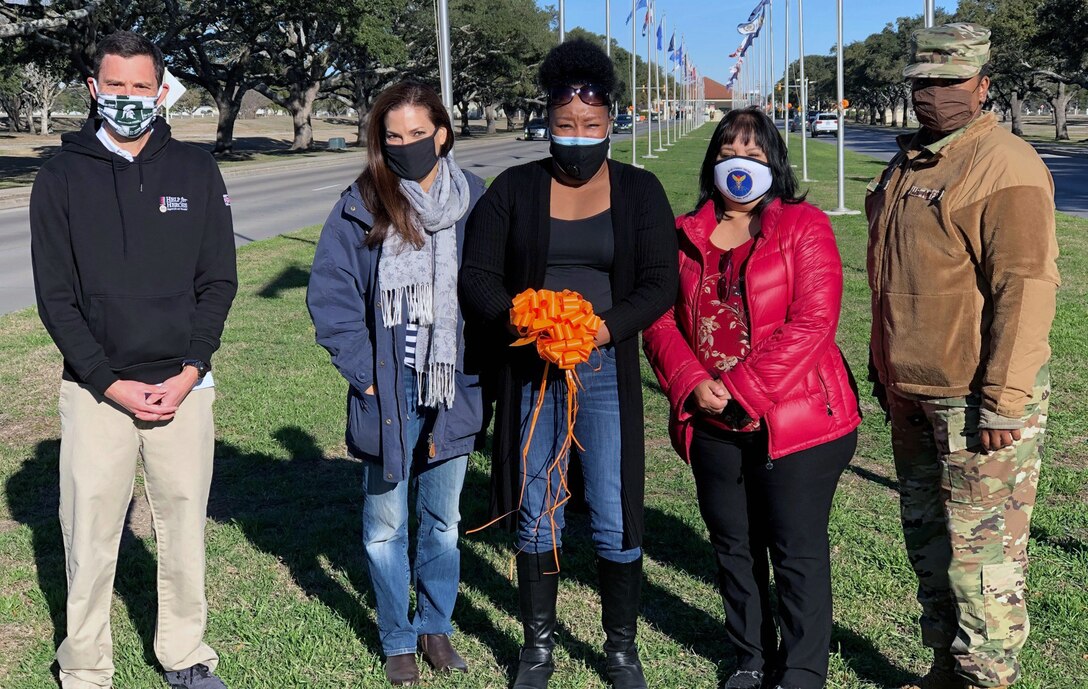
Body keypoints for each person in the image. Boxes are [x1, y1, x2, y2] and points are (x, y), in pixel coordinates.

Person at [460, 38, 678, 689]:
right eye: (564, 127)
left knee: (613, 508)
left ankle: (620, 649)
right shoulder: (514, 189)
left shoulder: (639, 191)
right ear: (546, 124)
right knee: (537, 507)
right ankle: (537, 649)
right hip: (533, 372)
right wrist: (525, 319)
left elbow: (660, 282)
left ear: (611, 121)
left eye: (591, 126)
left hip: (605, 371)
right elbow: (477, 276)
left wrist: (599, 329)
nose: (578, 138)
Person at [29, 31, 237, 689]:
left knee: (183, 531)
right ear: (94, 89)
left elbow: (219, 281)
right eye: (113, 87)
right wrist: (109, 381)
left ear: (159, 90)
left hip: (183, 385)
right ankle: (86, 666)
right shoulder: (60, 176)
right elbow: (56, 298)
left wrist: (188, 370)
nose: (126, 99)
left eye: (138, 87)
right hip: (96, 391)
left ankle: (184, 653)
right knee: (87, 535)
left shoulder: (196, 170)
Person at [865, 24, 1060, 689]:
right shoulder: (910, 162)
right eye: (923, 80)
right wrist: (883, 367)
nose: (934, 94)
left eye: (950, 81)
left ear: (982, 85)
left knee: (984, 571)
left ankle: (984, 680)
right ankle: (945, 670)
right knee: (932, 553)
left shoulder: (1004, 164)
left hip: (978, 402)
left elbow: (1027, 285)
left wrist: (1003, 397)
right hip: (912, 394)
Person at [642, 107, 862, 689]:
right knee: (734, 547)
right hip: (711, 422)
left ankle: (804, 669)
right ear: (713, 161)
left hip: (797, 422)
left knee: (795, 550)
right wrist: (693, 385)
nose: (741, 165)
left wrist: (740, 390)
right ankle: (750, 656)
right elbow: (660, 320)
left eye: (756, 155)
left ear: (775, 165)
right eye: (729, 153)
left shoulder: (803, 225)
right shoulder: (683, 234)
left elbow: (814, 321)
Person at [307, 81, 486, 687]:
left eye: (418, 133)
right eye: (394, 137)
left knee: (442, 519)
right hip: (387, 387)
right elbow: (331, 298)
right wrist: (365, 378)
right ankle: (397, 636)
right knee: (386, 523)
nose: (408, 145)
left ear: (442, 132)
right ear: (380, 142)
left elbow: (496, 290)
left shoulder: (477, 200)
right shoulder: (363, 201)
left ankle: (436, 627)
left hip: (454, 384)